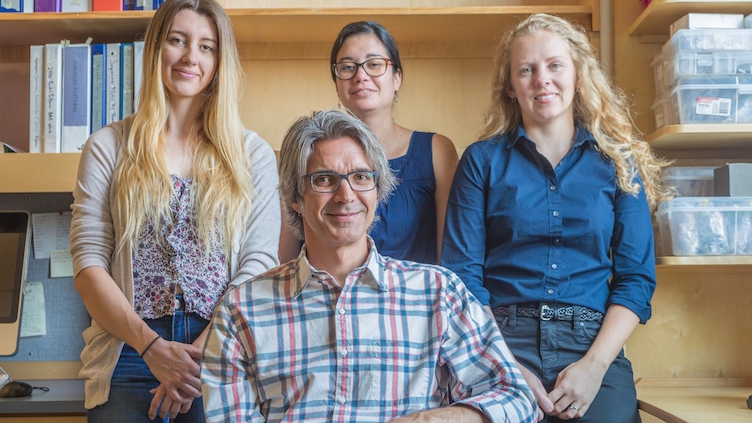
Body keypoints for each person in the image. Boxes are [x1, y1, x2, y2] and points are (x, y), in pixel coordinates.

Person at [201, 109, 536, 422]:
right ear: (294, 196)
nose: (346, 195)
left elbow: (517, 398)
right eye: (323, 179)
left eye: (361, 177)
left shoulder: (438, 294)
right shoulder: (241, 310)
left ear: (378, 190)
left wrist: (431, 419)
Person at [441, 13, 673, 422]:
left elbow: (636, 280)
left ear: (578, 75)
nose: (541, 79)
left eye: (554, 65)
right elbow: (461, 277)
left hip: (592, 345)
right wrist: (504, 365)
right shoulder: (481, 162)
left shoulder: (618, 163)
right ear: (511, 88)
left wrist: (595, 367)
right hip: (500, 343)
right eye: (526, 70)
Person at [70, 0, 281, 422]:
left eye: (207, 46)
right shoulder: (107, 147)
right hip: (127, 353)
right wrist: (151, 347)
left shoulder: (252, 155)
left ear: (220, 61)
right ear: (155, 49)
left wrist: (197, 354)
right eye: (177, 40)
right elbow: (88, 263)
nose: (190, 57)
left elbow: (258, 265)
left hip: (221, 350)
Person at [278, 21, 458, 265]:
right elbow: (286, 256)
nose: (360, 76)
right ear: (336, 82)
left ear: (397, 78)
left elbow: (451, 257)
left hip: (414, 299)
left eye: (374, 65)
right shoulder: (306, 151)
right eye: (347, 67)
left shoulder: (437, 151)